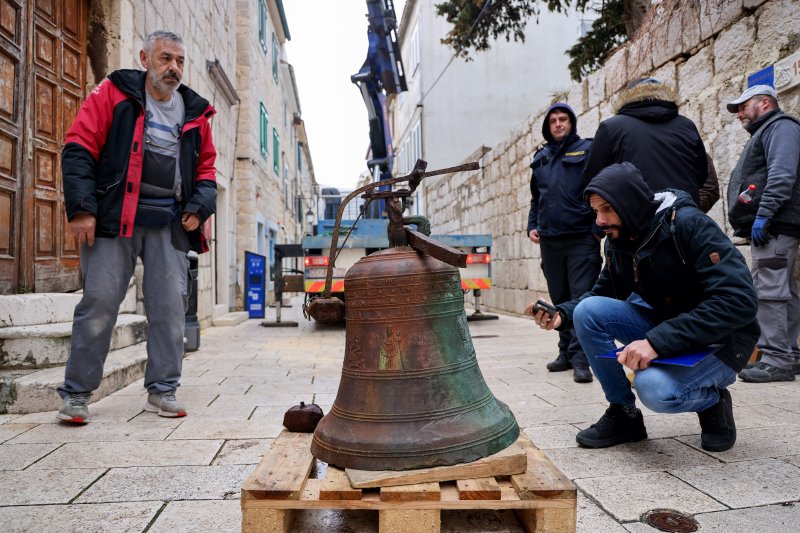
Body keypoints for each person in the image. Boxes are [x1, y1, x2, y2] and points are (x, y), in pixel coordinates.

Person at [527, 163, 759, 452]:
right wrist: (562, 314)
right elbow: (602, 294)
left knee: (654, 388)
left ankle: (712, 402)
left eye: (607, 210)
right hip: (670, 332)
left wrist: (656, 342)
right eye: (595, 211)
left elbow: (739, 301)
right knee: (589, 311)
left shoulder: (689, 225)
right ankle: (624, 415)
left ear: (629, 204)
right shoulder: (618, 239)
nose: (599, 220)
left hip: (720, 343)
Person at [57, 30, 217, 423]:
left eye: (179, 61)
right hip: (115, 217)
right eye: (165, 59)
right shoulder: (114, 93)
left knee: (170, 308)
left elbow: (206, 170)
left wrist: (199, 206)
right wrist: (82, 209)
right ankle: (76, 394)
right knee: (99, 304)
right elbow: (78, 147)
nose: (173, 68)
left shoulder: (196, 112)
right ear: (144, 58)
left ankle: (162, 391)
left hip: (169, 223)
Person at [726, 84, 800, 383]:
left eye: (744, 106)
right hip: (774, 225)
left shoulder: (780, 128)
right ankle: (789, 356)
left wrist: (765, 214)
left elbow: (782, 175)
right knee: (785, 291)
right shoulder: (771, 129)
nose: (740, 113)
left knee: (768, 291)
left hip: (774, 226)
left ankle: (776, 359)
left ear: (765, 103)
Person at [527, 103, 600, 383]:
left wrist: (597, 228)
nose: (559, 124)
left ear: (571, 123)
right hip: (551, 240)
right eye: (554, 120)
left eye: (564, 119)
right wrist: (532, 225)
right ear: (548, 126)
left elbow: (598, 187)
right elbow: (537, 198)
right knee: (559, 297)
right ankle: (566, 353)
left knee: (581, 299)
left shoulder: (586, 149)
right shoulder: (541, 157)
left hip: (582, 237)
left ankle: (582, 359)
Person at [583, 78, 709, 206]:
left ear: (627, 96)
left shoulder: (611, 127)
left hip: (638, 217)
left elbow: (593, 180)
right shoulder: (687, 125)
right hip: (684, 214)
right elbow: (702, 176)